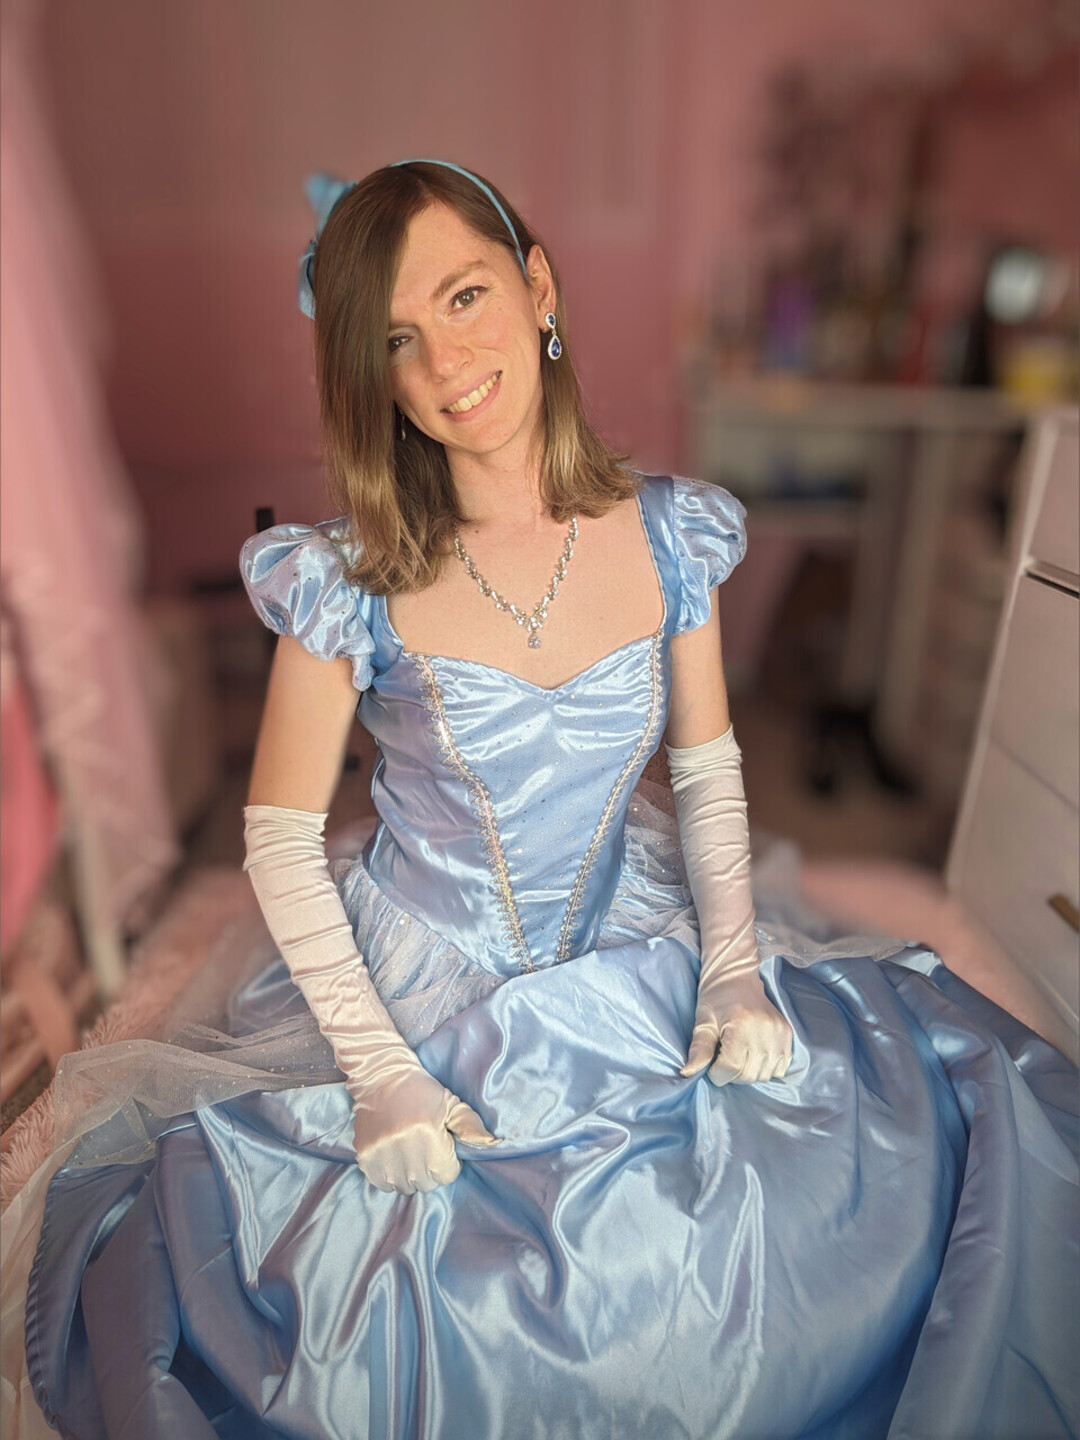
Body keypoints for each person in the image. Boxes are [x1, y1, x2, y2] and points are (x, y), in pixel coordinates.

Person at [10, 160, 1078, 1440]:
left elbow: (706, 765)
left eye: (465, 297)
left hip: (626, 924)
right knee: (437, 1291)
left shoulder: (671, 534)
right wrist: (377, 1070)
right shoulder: (347, 577)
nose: (445, 361)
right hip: (430, 969)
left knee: (814, 1194)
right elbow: (281, 840)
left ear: (540, 288)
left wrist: (733, 968)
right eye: (396, 340)